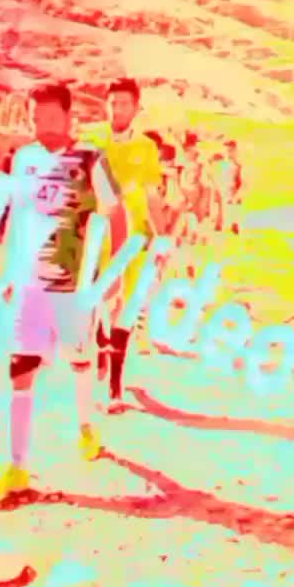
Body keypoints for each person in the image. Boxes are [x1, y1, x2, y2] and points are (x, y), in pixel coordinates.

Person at [0, 83, 127, 505]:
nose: (41, 126)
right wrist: (10, 269)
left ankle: (86, 426)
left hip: (73, 286)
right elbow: (19, 215)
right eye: (35, 118)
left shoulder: (90, 159)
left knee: (79, 359)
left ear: (67, 117)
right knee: (20, 368)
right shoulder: (24, 159)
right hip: (31, 282)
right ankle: (17, 467)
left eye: (49, 118)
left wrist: (114, 274)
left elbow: (116, 216)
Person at [94, 78, 167, 413]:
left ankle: (114, 387)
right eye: (113, 103)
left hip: (133, 239)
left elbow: (152, 196)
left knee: (124, 307)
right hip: (98, 236)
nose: (117, 109)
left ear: (136, 108)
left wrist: (162, 235)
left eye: (124, 104)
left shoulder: (146, 149)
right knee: (100, 305)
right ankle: (100, 355)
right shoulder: (92, 141)